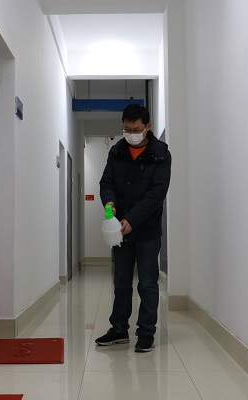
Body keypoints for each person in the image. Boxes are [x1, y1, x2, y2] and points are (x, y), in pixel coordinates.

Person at [95, 103, 172, 352]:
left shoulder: (160, 154)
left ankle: (146, 332)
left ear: (148, 126)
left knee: (147, 283)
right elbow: (106, 182)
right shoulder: (117, 151)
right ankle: (119, 329)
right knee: (121, 282)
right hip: (120, 230)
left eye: (136, 129)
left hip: (147, 230)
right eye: (126, 129)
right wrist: (109, 202)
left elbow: (157, 193)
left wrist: (133, 219)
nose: (131, 134)